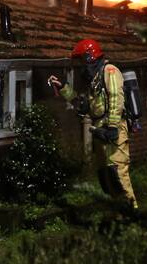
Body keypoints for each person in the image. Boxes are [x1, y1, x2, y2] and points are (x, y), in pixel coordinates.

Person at [48, 38, 138, 208]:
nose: (79, 66)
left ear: (89, 58)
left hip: (113, 130)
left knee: (118, 174)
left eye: (81, 61)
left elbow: (115, 99)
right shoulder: (94, 80)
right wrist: (63, 88)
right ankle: (119, 213)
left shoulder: (109, 72)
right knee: (107, 177)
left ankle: (132, 216)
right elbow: (84, 105)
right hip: (100, 130)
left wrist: (112, 127)